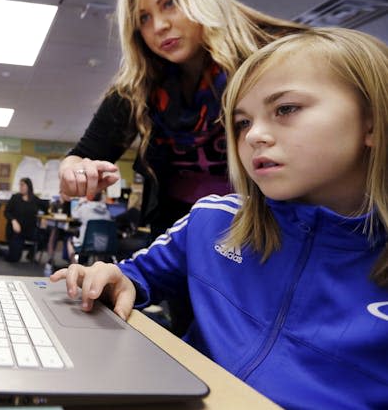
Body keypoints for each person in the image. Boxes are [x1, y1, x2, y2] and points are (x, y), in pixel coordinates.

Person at [52, 28, 388, 409]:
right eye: (243, 122)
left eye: (286, 109)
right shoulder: (214, 221)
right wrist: (113, 278)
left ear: (372, 121)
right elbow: (134, 276)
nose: (255, 135)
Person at [58, 0, 307, 332]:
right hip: (185, 236)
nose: (158, 26)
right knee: (198, 334)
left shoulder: (268, 58)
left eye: (170, 4)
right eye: (143, 18)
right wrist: (77, 170)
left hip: (266, 227)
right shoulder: (139, 86)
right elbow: (81, 154)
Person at [0, 177, 46, 262]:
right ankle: (2, 251)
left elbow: (46, 208)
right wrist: (13, 221)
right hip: (16, 231)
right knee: (14, 258)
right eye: (20, 185)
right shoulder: (15, 198)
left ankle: (30, 254)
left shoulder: (35, 199)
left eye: (23, 185)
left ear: (29, 186)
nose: (21, 187)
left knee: (45, 236)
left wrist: (44, 218)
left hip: (30, 230)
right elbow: (6, 212)